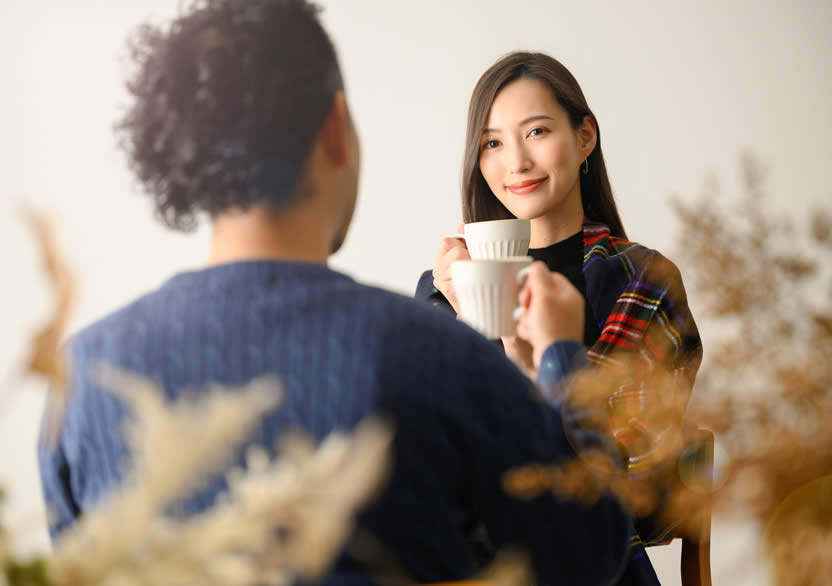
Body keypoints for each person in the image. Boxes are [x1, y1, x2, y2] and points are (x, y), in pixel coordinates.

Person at [37, 3, 634, 585]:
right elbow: (588, 555)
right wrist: (557, 360)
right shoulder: (439, 355)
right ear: (334, 130)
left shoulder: (79, 378)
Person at [417, 52, 703, 585]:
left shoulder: (644, 282)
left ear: (585, 138)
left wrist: (552, 357)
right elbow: (425, 469)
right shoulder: (447, 288)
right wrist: (470, 317)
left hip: (602, 564)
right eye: (493, 142)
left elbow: (628, 478)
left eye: (537, 132)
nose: (516, 162)